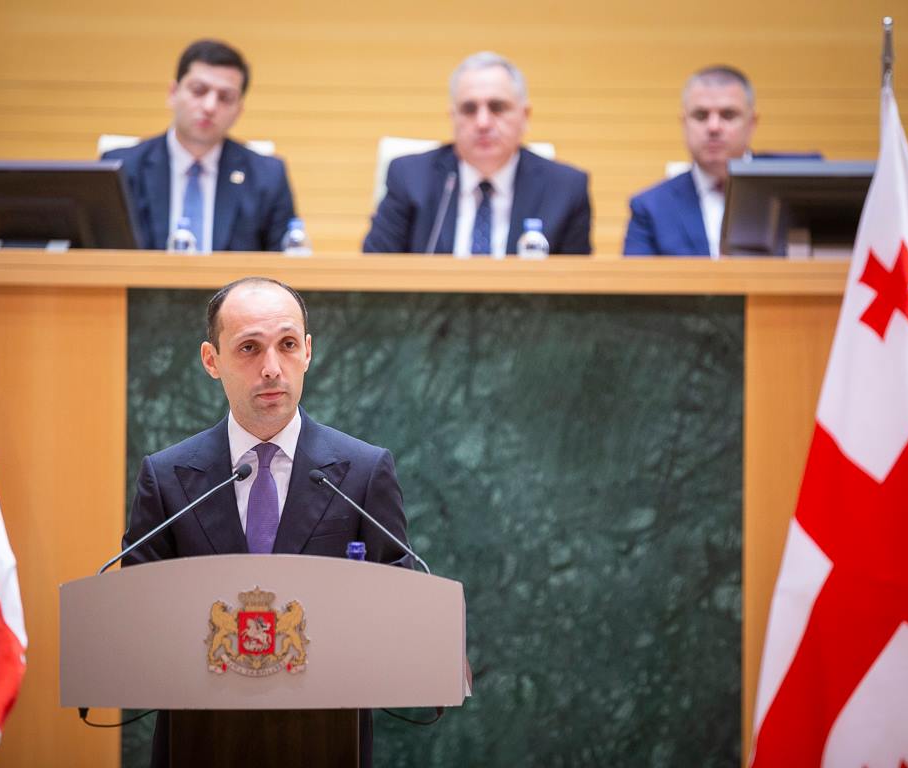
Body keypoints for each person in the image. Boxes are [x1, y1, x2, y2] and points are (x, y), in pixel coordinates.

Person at [123, 276, 409, 767]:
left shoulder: (363, 472)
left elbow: (401, 604)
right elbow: (135, 614)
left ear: (308, 352)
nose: (272, 368)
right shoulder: (167, 477)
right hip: (200, 743)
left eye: (288, 345)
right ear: (211, 360)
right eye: (249, 348)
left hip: (325, 742)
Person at [362, 51, 592, 256]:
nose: (483, 123)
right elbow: (374, 270)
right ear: (453, 117)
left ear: (525, 115)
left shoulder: (565, 189)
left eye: (497, 107)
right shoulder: (410, 178)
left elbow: (578, 285)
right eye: (469, 109)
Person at [103, 40, 296, 252]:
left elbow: (284, 263)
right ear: (173, 93)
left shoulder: (267, 176)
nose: (209, 106)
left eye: (225, 97)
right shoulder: (122, 168)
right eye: (198, 90)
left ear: (239, 110)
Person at [623, 65, 758, 257]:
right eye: (701, 116)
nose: (713, 127)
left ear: (752, 123)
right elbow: (635, 276)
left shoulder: (792, 188)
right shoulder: (650, 207)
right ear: (684, 123)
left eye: (728, 115)